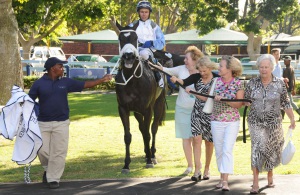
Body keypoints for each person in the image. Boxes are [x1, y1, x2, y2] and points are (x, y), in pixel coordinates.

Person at [28, 57, 112, 189]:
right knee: (41, 149)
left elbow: (85, 85)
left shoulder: (66, 82)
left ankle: (53, 179)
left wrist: (102, 80)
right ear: (52, 69)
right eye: (60, 66)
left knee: (59, 152)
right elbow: (29, 101)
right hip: (43, 123)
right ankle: (49, 169)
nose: (62, 68)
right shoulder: (38, 84)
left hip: (62, 123)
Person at [244, 54, 296, 194]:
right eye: (261, 67)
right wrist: (245, 102)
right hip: (256, 122)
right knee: (256, 149)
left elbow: (286, 102)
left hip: (274, 123)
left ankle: (270, 174)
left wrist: (292, 119)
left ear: (272, 68)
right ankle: (255, 182)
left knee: (272, 149)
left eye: (266, 67)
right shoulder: (252, 83)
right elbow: (245, 100)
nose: (263, 69)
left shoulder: (279, 83)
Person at [152, 46, 203, 177]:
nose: (184, 60)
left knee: (197, 140)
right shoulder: (181, 69)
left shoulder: (202, 72)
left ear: (195, 59)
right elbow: (166, 70)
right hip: (182, 109)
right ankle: (190, 166)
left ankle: (198, 167)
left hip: (197, 110)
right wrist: (152, 63)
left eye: (187, 58)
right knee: (186, 138)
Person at [170, 56, 219, 181]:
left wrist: (193, 92)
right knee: (196, 140)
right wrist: (176, 80)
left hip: (210, 113)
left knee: (209, 141)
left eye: (204, 71)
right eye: (200, 71)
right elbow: (184, 82)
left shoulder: (217, 78)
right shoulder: (197, 77)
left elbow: (208, 97)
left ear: (210, 68)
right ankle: (197, 170)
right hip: (197, 111)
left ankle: (207, 168)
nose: (202, 73)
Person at [211, 56, 244, 191]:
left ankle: (225, 181)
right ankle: (221, 178)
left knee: (226, 150)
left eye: (221, 66)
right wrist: (189, 90)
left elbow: (238, 104)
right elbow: (208, 98)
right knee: (219, 151)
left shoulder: (238, 83)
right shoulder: (215, 81)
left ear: (230, 69)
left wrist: (224, 100)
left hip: (231, 122)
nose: (218, 68)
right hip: (216, 120)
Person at [129, 0, 165, 87]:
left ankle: (157, 74)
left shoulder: (154, 26)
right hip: (135, 49)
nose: (144, 14)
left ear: (149, 13)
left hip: (150, 50)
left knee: (144, 53)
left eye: (146, 12)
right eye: (142, 12)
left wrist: (152, 42)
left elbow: (162, 42)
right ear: (138, 12)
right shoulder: (132, 25)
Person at [271, 48, 289, 118]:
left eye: (278, 54)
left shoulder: (279, 63)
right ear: (272, 55)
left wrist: (283, 78)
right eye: (275, 54)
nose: (277, 55)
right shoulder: (270, 63)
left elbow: (278, 76)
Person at [283, 55, 300, 120]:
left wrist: (292, 89)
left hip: (287, 89)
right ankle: (282, 117)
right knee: (284, 102)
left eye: (286, 60)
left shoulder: (288, 69)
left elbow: (289, 80)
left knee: (290, 102)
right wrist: (294, 88)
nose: (284, 61)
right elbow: (294, 79)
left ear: (289, 61)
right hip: (288, 88)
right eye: (284, 60)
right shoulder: (290, 68)